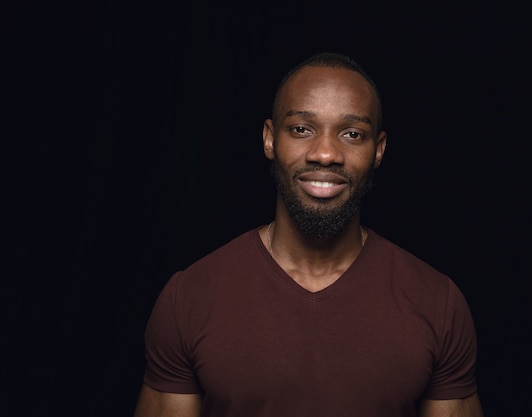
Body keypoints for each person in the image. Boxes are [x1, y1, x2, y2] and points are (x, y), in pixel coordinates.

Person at [133, 52, 484, 417]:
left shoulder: (437, 303)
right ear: (270, 140)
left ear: (378, 151)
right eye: (302, 129)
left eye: (352, 134)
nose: (327, 153)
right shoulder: (189, 297)